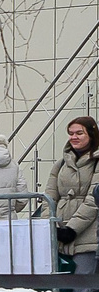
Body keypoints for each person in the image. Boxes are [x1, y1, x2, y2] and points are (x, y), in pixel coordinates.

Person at [51, 115, 99, 276]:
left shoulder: (97, 162)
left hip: (88, 235)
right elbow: (49, 197)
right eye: (71, 133)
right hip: (60, 235)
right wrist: (51, 225)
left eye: (79, 133)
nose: (73, 137)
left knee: (81, 290)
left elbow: (93, 201)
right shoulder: (61, 164)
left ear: (91, 135)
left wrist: (73, 229)